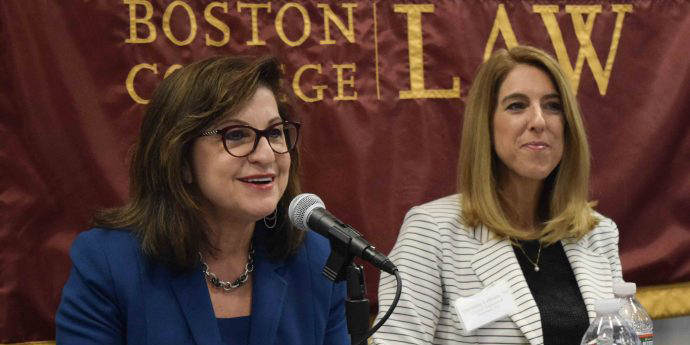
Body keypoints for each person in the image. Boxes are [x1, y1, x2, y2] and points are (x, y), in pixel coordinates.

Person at [56, 55, 349, 345]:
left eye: (274, 132)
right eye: (236, 135)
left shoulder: (316, 260)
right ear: (180, 159)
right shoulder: (109, 263)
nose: (266, 155)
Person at [373, 46, 623, 345]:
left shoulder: (599, 233)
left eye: (553, 106)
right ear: (486, 126)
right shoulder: (431, 232)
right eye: (517, 106)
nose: (539, 121)